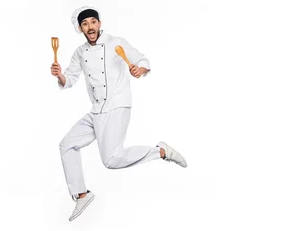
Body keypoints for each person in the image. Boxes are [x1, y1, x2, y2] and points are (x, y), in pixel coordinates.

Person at [50, 6, 188, 221]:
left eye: (93, 22)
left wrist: (139, 70)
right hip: (97, 110)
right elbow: (69, 79)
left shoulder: (117, 42)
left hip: (117, 104)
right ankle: (82, 194)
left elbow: (143, 61)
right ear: (80, 28)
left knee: (111, 160)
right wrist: (59, 76)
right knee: (66, 144)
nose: (90, 27)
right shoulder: (80, 52)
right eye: (85, 24)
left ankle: (160, 151)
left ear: (99, 23)